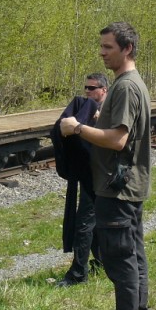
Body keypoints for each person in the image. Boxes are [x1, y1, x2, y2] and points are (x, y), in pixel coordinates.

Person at [61, 22, 151, 310]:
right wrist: (100, 119)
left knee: (119, 256)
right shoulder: (129, 83)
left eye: (108, 47)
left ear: (126, 49)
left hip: (117, 188)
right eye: (101, 47)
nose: (102, 53)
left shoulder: (126, 86)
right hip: (129, 185)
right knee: (134, 253)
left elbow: (118, 139)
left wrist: (77, 129)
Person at [56, 73, 108, 287]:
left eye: (92, 88)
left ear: (103, 90)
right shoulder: (86, 108)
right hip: (91, 172)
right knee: (93, 222)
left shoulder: (108, 109)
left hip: (100, 175)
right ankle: (103, 262)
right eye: (86, 87)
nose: (87, 92)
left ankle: (78, 273)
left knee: (84, 222)